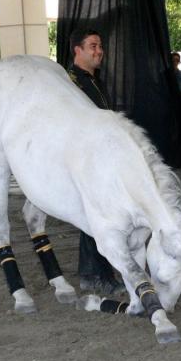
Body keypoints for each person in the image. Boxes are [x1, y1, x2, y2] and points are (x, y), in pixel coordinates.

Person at [68, 28, 125, 295]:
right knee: (93, 216)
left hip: (102, 157)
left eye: (100, 45)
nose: (99, 50)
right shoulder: (70, 83)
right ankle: (92, 274)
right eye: (92, 45)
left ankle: (105, 271)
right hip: (84, 158)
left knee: (107, 214)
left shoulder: (94, 81)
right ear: (77, 50)